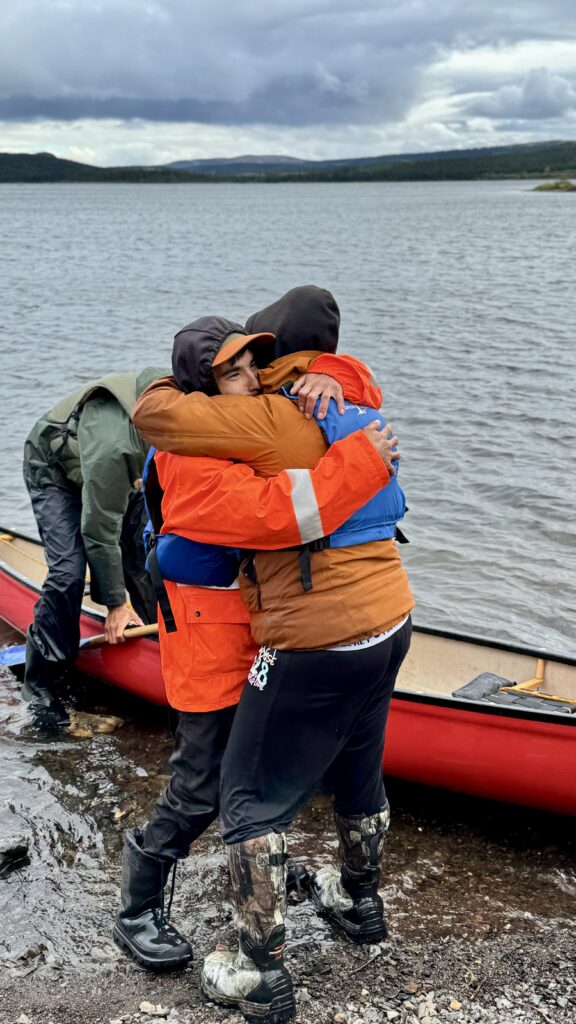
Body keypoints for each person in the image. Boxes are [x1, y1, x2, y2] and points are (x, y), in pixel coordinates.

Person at [132, 285, 414, 1024]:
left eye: (260, 358)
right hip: (390, 619)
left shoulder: (269, 418)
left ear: (283, 355)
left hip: (314, 637)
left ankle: (257, 970)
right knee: (355, 767)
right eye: (233, 368)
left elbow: (156, 413)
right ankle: (358, 902)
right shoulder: (353, 402)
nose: (252, 378)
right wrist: (345, 397)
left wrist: (181, 383)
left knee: (248, 795)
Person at [22, 368, 164, 730]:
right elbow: (99, 531)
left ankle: (157, 641)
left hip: (118, 473)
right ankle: (42, 689)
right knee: (69, 571)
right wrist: (115, 604)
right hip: (55, 469)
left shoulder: (192, 405)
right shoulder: (115, 447)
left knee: (143, 556)